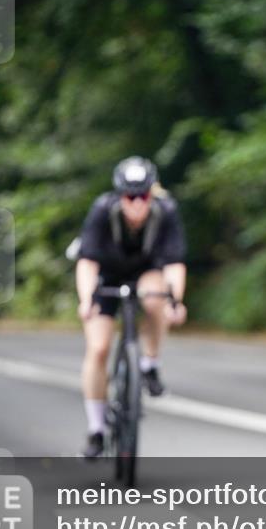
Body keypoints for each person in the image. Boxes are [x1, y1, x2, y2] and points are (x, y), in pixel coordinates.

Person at [75, 157, 187, 459]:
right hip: (106, 277)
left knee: (156, 298)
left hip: (145, 272)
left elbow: (174, 264)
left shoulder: (166, 212)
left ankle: (149, 364)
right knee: (98, 348)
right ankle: (96, 429)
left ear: (152, 193)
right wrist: (86, 300)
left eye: (143, 196)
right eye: (129, 197)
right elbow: (87, 262)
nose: (136, 204)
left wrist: (175, 301)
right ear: (119, 195)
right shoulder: (102, 210)